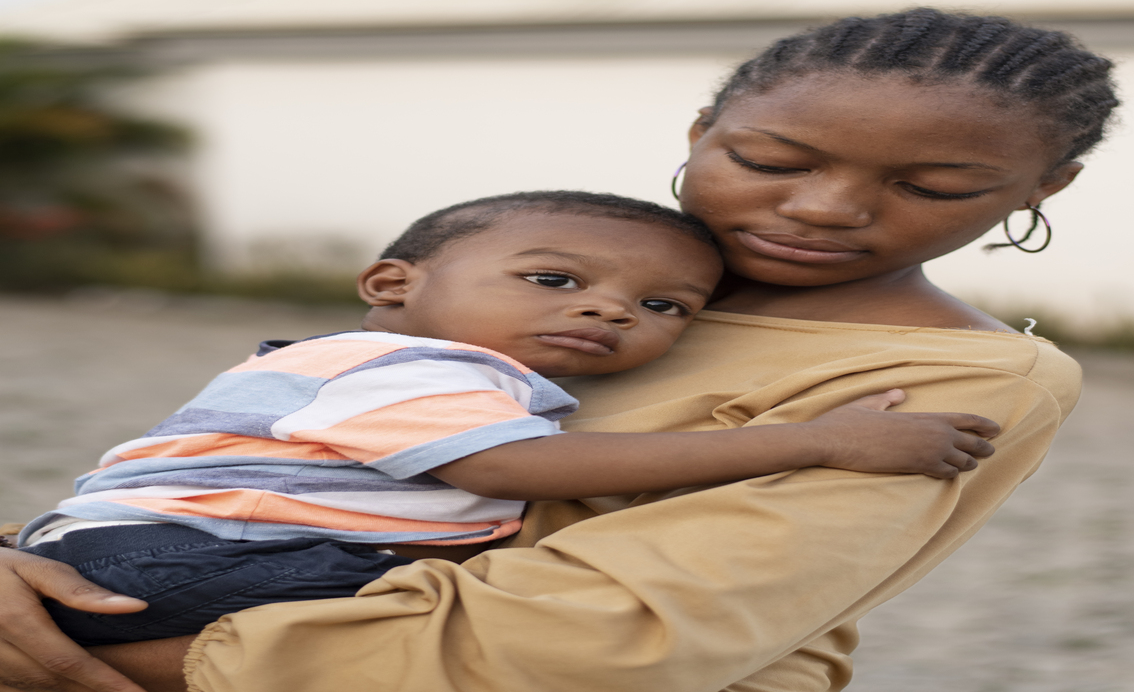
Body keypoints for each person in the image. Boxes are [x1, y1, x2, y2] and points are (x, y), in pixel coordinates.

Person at [0, 8, 1119, 692]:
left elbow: (601, 644)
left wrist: (64, 656)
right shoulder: (584, 274)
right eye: (770, 156)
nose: (823, 206)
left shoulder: (962, 380)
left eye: (929, 186)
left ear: (1043, 188)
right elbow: (249, 473)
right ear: (700, 133)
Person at [14, 191, 995, 647]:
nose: (614, 308)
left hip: (205, 553)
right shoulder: (390, 362)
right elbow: (511, 469)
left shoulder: (462, 370)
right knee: (436, 624)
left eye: (666, 307)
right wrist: (821, 438)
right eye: (555, 279)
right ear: (393, 283)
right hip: (187, 553)